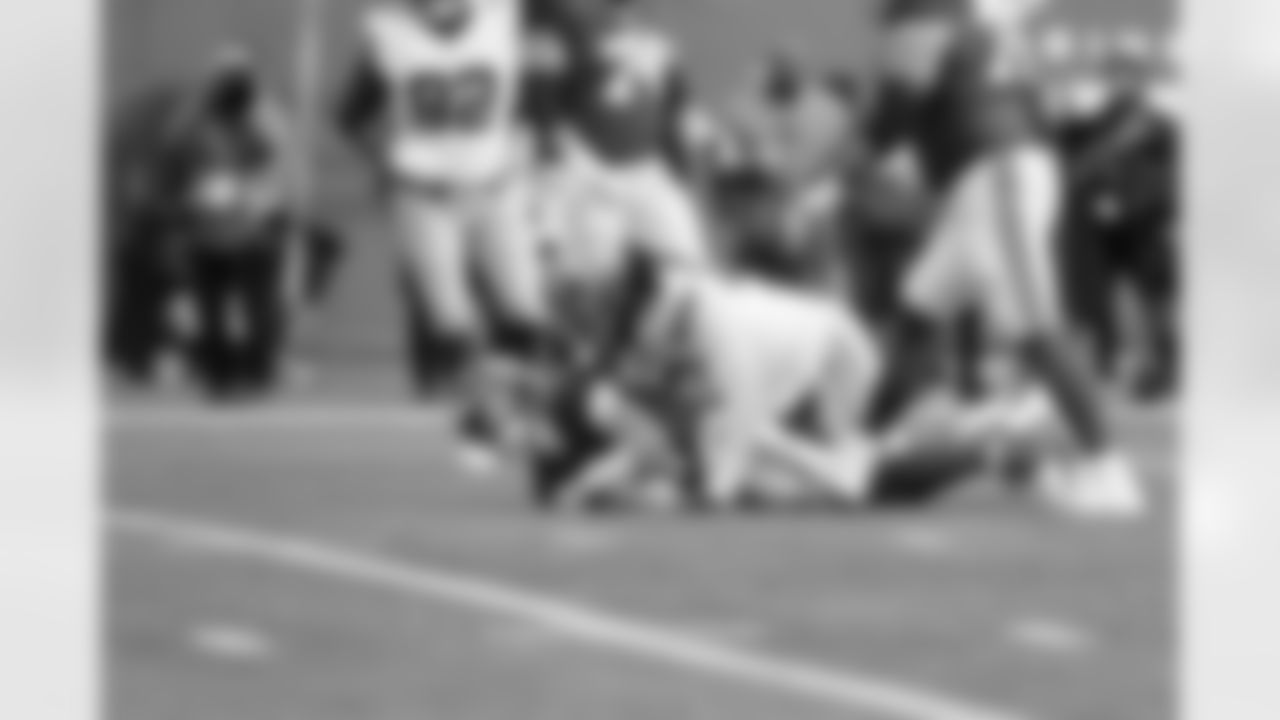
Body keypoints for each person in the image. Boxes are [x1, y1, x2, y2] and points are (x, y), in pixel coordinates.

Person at [860, 0, 1145, 516]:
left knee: (1034, 329)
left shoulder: (925, 23)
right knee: (916, 313)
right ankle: (894, 437)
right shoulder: (975, 24)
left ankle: (1109, 471)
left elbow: (894, 109)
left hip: (997, 174)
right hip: (987, 178)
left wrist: (844, 158)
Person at [337, 0, 552, 464]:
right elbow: (350, 114)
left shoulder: (504, 17)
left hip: (497, 186)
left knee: (526, 314)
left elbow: (540, 86)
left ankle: (513, 406)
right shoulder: (387, 34)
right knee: (452, 323)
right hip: (425, 192)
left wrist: (530, 138)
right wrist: (384, 161)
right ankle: (483, 420)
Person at [162, 48, 302, 397]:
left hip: (249, 225)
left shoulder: (259, 119)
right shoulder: (195, 120)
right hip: (214, 227)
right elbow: (176, 163)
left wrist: (270, 205)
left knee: (255, 304)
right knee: (218, 305)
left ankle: (252, 368)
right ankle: (223, 371)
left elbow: (277, 167)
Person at [1057, 54, 1179, 400]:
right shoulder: (1089, 126)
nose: (1120, 84)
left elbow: (1173, 179)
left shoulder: (1162, 128)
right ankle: (1108, 365)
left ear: (1142, 83)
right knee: (1097, 301)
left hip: (1145, 224)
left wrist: (1129, 205)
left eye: (1128, 76)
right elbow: (1068, 162)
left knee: (1155, 301)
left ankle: (1163, 370)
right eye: (1114, 76)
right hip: (1097, 230)